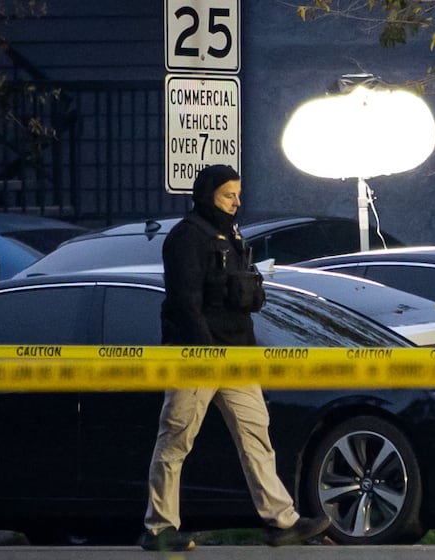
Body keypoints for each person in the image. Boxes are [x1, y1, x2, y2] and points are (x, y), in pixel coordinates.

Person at [138, 164, 330, 552]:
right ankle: (159, 528)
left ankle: (283, 521)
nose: (237, 203)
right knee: (176, 439)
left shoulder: (230, 235)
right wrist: (206, 350)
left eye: (239, 195)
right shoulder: (187, 238)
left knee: (257, 436)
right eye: (229, 195)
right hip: (198, 356)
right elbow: (184, 303)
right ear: (208, 195)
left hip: (237, 356)